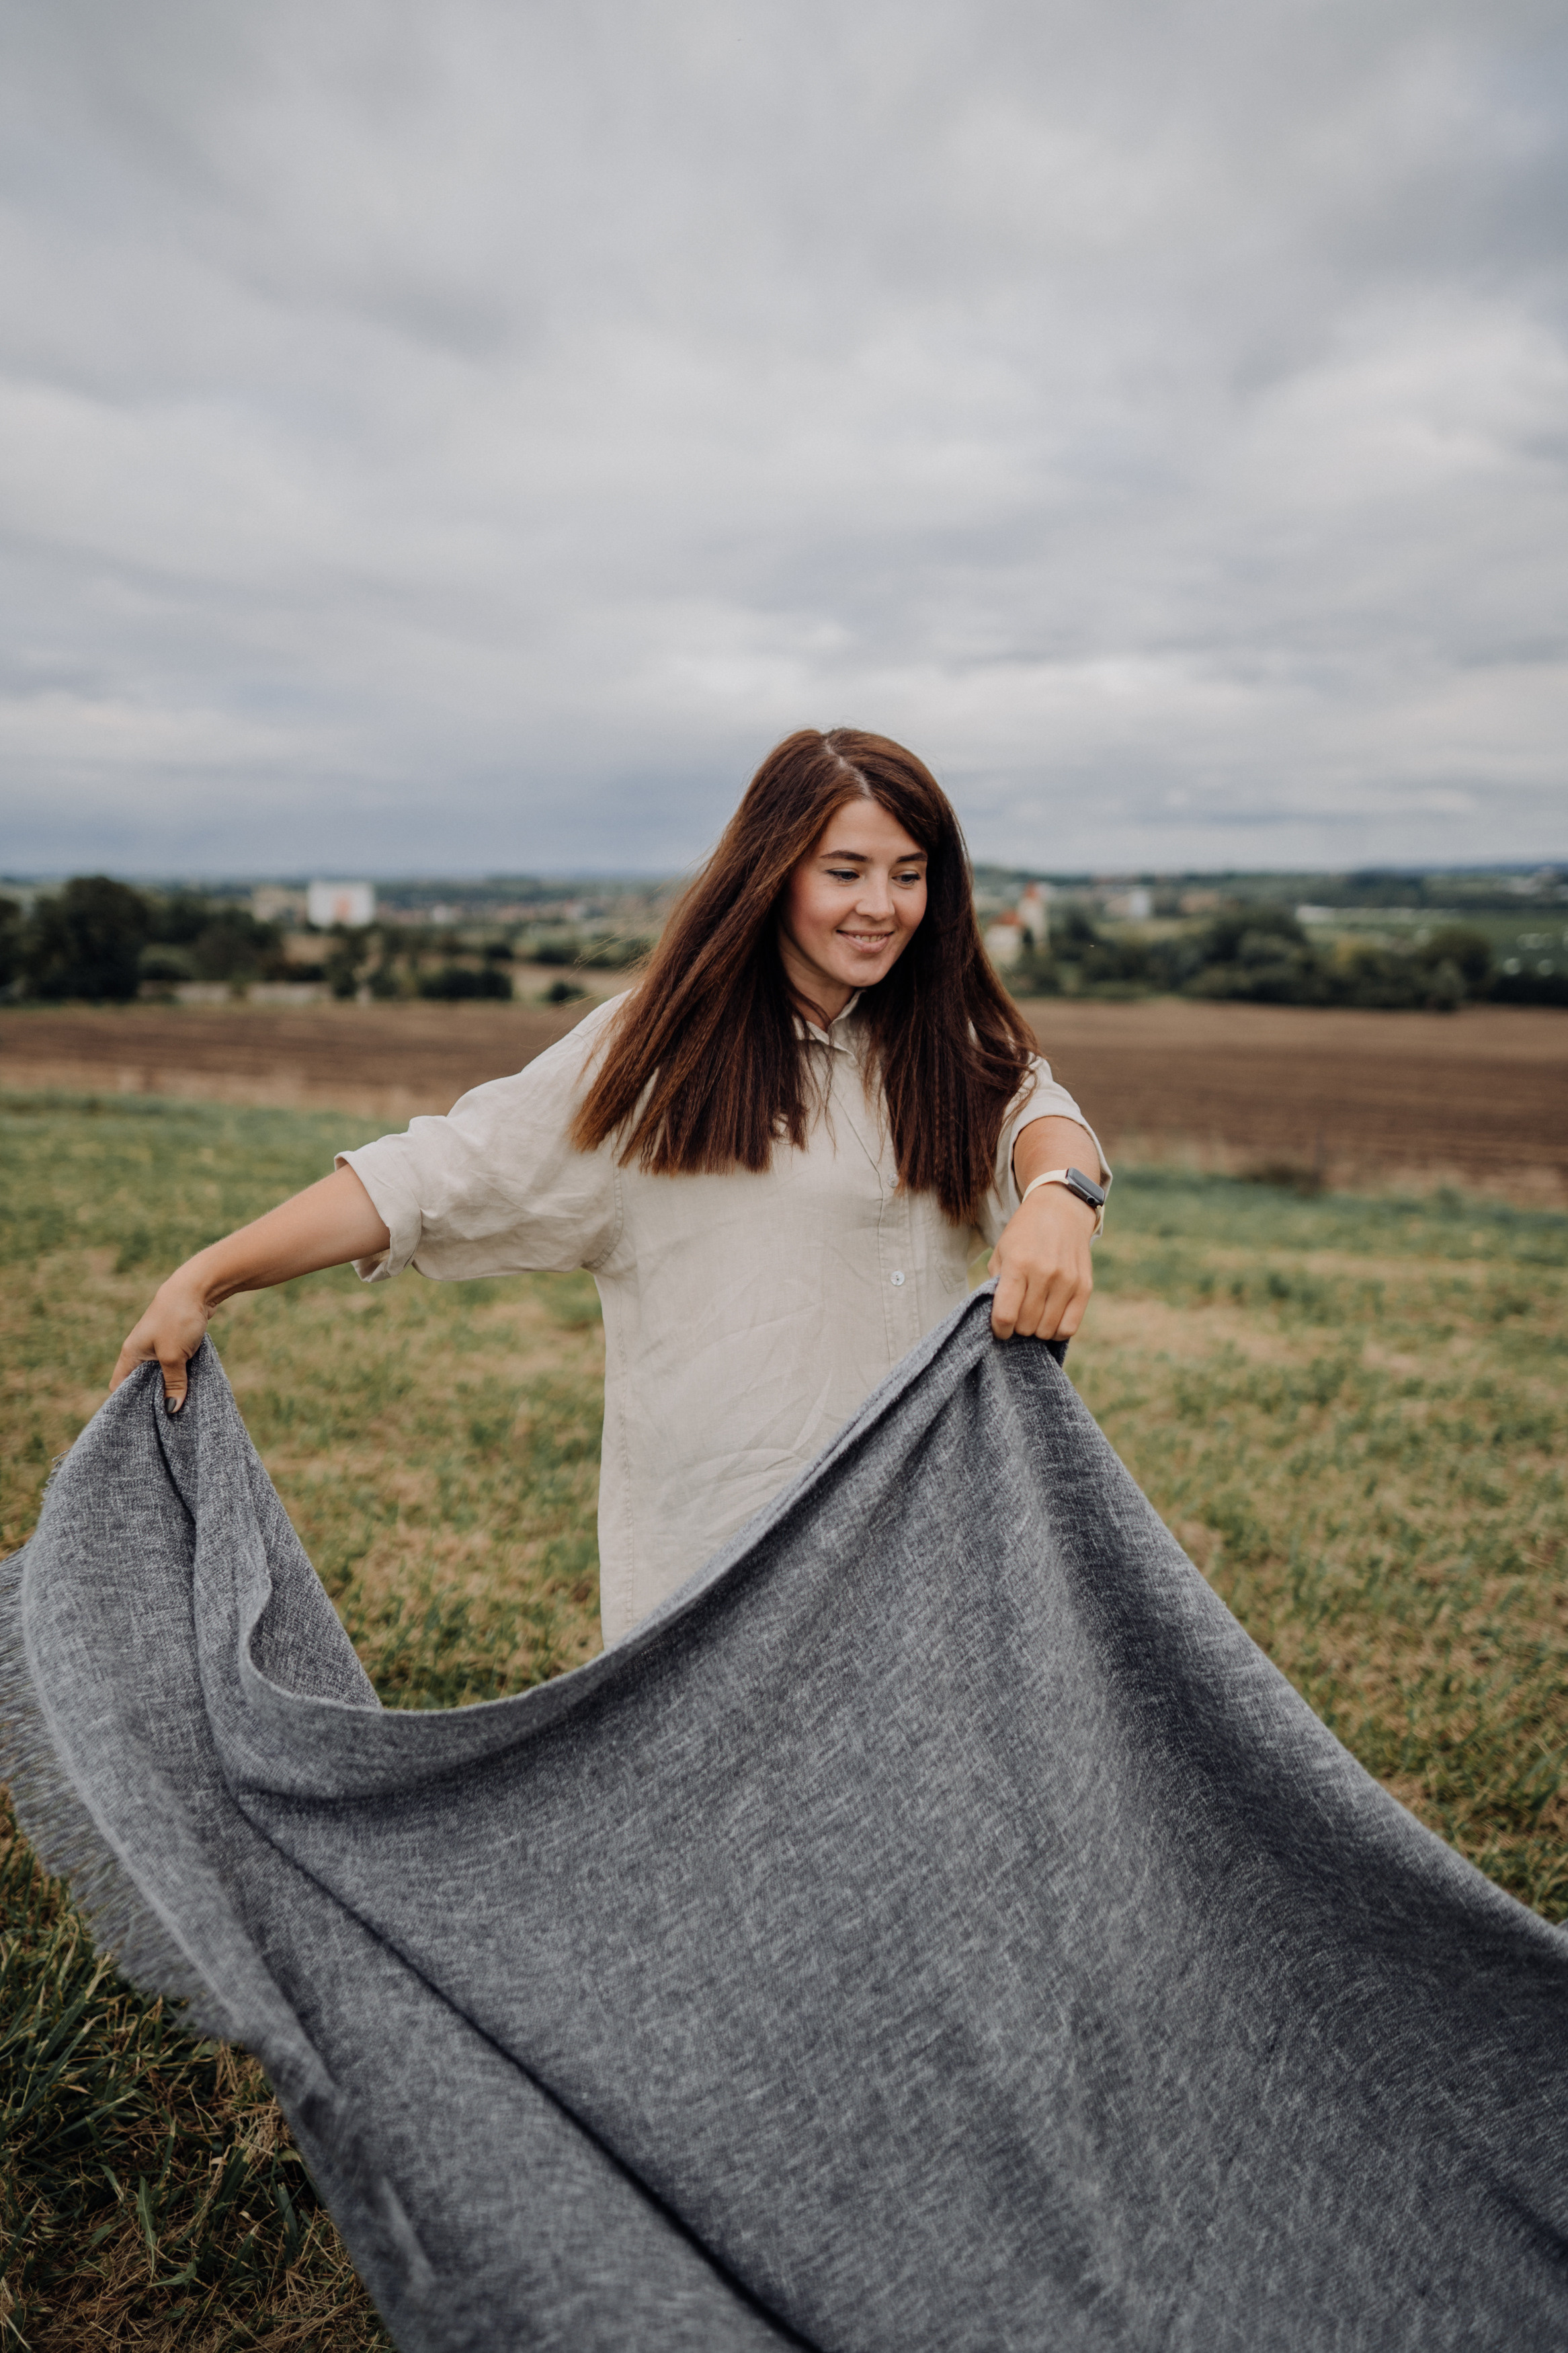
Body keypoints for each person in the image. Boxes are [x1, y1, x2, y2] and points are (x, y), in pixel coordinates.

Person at [112, 729, 1108, 1645]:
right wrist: (209, 1276)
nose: (880, 906)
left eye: (908, 875)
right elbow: (437, 1174)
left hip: (924, 1548)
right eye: (843, 871)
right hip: (723, 1569)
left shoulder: (949, 1042)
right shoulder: (657, 1056)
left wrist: (1060, 1197)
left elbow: (1041, 1119)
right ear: (773, 874)